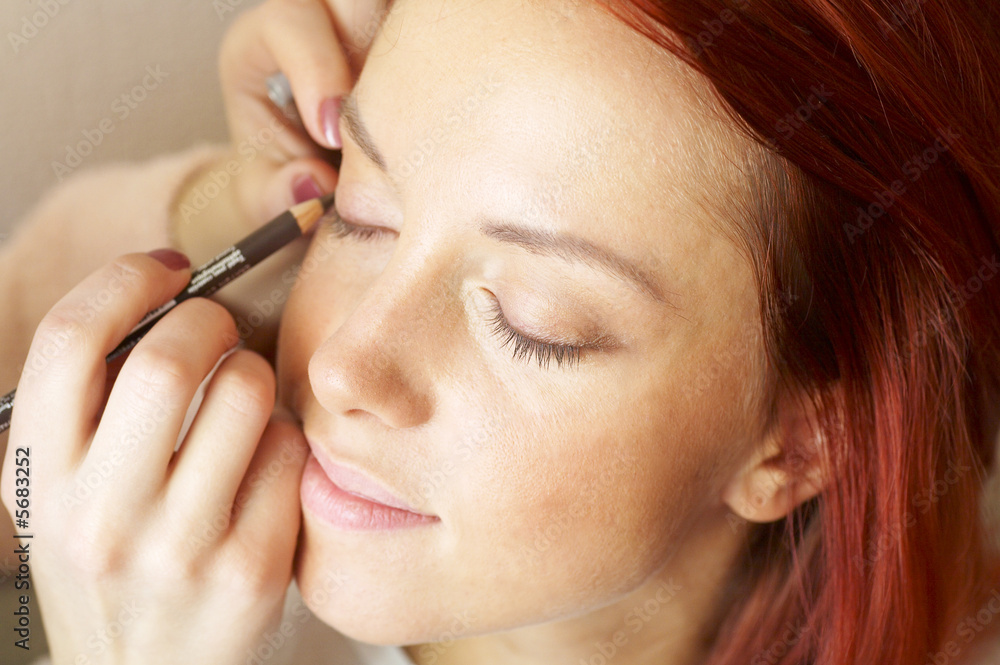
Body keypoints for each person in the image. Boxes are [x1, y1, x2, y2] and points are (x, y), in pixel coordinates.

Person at [2, 0, 999, 664]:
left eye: (534, 322)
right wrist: (234, 194)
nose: (347, 363)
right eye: (362, 213)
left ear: (799, 438)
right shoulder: (202, 459)